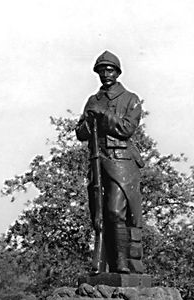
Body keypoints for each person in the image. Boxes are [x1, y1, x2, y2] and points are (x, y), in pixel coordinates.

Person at [76, 51, 144, 274]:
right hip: (98, 160)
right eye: (102, 70)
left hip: (122, 163)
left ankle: (123, 263)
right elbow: (80, 132)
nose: (106, 74)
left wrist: (103, 116)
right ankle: (105, 264)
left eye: (110, 69)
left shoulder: (130, 99)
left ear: (118, 72)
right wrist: (89, 123)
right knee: (99, 215)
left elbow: (126, 128)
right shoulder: (92, 100)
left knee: (116, 212)